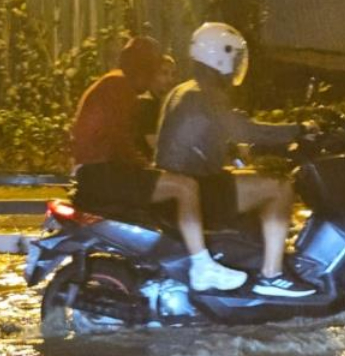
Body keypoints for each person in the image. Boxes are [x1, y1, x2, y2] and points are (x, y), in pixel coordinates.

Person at [70, 36, 246, 292]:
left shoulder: (114, 84)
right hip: (102, 174)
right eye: (153, 72)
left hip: (98, 172)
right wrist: (146, 169)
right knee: (185, 188)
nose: (154, 79)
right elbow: (118, 140)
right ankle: (202, 267)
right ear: (142, 70)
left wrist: (146, 168)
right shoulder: (119, 88)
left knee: (175, 186)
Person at [155, 22, 316, 298]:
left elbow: (211, 136)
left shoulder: (186, 90)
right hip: (199, 186)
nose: (239, 64)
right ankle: (272, 275)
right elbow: (245, 130)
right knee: (280, 186)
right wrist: (300, 129)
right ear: (221, 56)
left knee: (255, 176)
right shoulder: (205, 94)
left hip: (185, 180)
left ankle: (252, 255)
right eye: (236, 57)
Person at [136, 53, 176, 157]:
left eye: (173, 74)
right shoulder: (146, 102)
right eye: (164, 73)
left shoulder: (158, 102)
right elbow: (154, 144)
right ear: (152, 74)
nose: (170, 79)